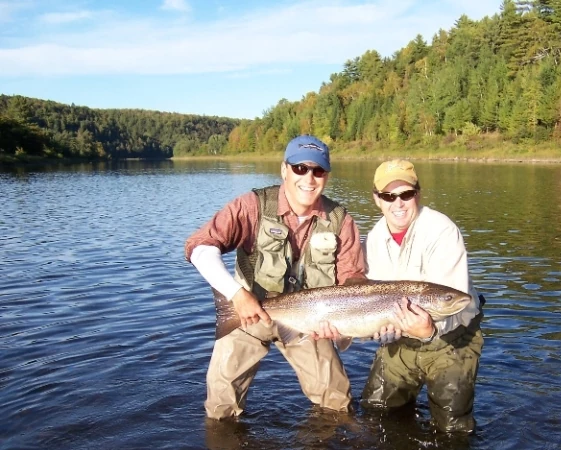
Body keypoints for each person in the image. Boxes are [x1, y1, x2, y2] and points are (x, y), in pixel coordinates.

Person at [184, 135, 366, 420]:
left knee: (337, 402)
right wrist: (235, 294)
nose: (309, 178)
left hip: (310, 321)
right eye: (300, 169)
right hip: (248, 313)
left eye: (318, 171)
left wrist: (341, 325)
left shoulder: (341, 221)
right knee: (221, 407)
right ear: (284, 170)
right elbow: (199, 248)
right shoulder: (253, 206)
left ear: (326, 176)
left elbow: (353, 284)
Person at [361, 159, 484, 433]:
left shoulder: (442, 231)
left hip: (452, 341)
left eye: (406, 194)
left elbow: (456, 302)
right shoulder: (375, 237)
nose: (398, 203)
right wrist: (382, 331)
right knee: (375, 412)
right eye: (388, 196)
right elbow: (377, 302)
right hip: (402, 342)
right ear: (377, 199)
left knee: (452, 432)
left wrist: (429, 330)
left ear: (418, 194)